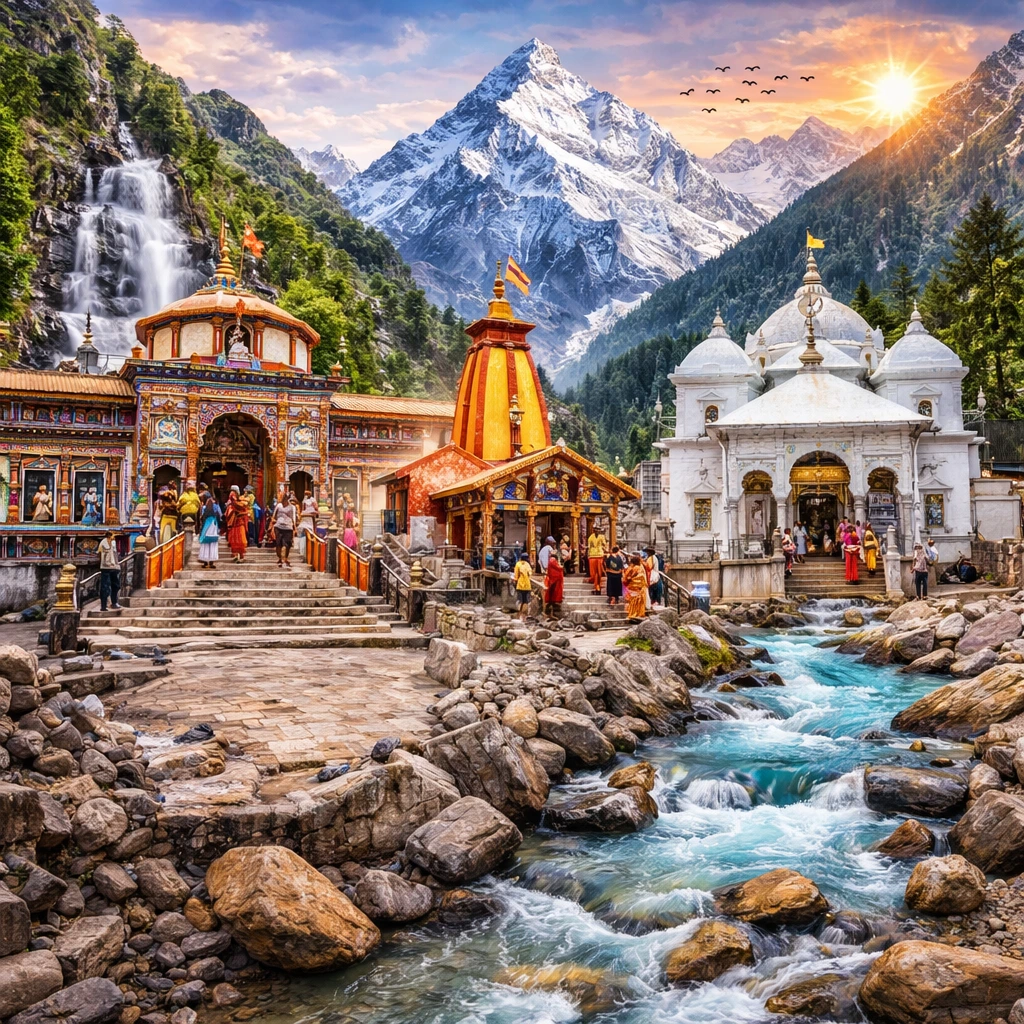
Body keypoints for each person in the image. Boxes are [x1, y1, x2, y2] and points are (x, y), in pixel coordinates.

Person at [272, 494, 298, 566]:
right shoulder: (279, 506)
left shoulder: (292, 507)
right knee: (278, 543)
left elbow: (293, 518)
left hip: (288, 527)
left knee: (287, 544)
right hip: (278, 526)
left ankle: (285, 558)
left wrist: (294, 528)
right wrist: (272, 524)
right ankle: (280, 558)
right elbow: (274, 515)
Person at [98, 530, 121, 611]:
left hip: (114, 567)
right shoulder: (103, 543)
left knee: (116, 585)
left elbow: (115, 555)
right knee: (105, 587)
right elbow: (100, 554)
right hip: (105, 567)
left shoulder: (113, 543)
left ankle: (114, 602)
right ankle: (103, 606)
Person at [225, 485, 248, 562]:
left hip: (239, 521)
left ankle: (241, 556)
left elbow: (241, 507)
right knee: (235, 539)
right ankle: (236, 555)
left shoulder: (240, 502)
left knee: (240, 539)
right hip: (234, 522)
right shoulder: (233, 502)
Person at [623, 554, 649, 623]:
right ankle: (639, 614)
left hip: (634, 587)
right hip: (641, 587)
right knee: (639, 603)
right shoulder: (641, 567)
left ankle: (633, 614)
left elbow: (628, 578)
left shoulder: (634, 568)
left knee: (633, 603)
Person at [197, 494, 220, 568]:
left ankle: (205, 562)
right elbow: (219, 515)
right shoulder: (215, 508)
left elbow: (202, 518)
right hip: (213, 527)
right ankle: (211, 562)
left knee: (205, 545)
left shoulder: (204, 508)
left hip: (206, 528)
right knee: (213, 545)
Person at [513, 553, 534, 622]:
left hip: (520, 585)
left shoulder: (518, 564)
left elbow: (516, 576)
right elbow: (530, 574)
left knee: (520, 600)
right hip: (527, 585)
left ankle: (519, 615)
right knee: (526, 601)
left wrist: (515, 582)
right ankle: (525, 616)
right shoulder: (527, 565)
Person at [587, 528, 607, 594]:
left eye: (598, 530)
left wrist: (604, 549)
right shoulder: (590, 537)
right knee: (594, 573)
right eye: (596, 530)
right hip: (592, 555)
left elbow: (604, 544)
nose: (597, 531)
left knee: (599, 572)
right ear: (593, 531)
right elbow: (589, 546)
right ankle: (596, 586)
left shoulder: (602, 537)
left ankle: (597, 586)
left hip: (599, 554)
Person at [544, 553, 564, 619]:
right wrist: (561, 567)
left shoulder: (551, 560)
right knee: (553, 597)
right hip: (554, 581)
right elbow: (558, 568)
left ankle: (550, 613)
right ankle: (551, 614)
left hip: (553, 581)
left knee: (552, 597)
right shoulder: (552, 560)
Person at [297, 492, 318, 557]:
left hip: (310, 519)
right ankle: (302, 550)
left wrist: (312, 513)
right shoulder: (304, 500)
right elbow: (303, 509)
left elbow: (316, 509)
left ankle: (308, 551)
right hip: (305, 519)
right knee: (303, 533)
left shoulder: (313, 500)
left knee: (310, 533)